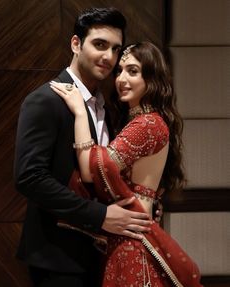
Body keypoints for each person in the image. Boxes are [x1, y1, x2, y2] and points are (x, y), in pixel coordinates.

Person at [14, 8, 154, 287]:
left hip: (100, 253)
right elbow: (30, 178)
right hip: (58, 257)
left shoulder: (109, 106)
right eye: (100, 45)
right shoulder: (44, 100)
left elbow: (102, 174)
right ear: (76, 44)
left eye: (115, 49)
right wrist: (101, 216)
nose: (109, 57)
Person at [50, 41, 203, 287]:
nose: (121, 79)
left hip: (133, 243)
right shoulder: (139, 121)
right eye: (119, 71)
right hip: (125, 237)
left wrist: (80, 112)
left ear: (152, 78)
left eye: (132, 71)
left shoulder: (148, 125)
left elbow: (92, 170)